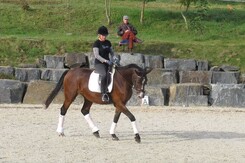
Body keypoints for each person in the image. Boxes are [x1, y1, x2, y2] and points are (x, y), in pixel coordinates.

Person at [93, 26, 114, 102]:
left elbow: (112, 53)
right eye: (103, 35)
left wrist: (113, 59)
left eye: (105, 35)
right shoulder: (96, 43)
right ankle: (103, 93)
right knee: (104, 74)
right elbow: (97, 55)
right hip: (99, 64)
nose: (104, 37)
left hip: (108, 62)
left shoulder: (108, 42)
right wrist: (106, 61)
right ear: (99, 35)